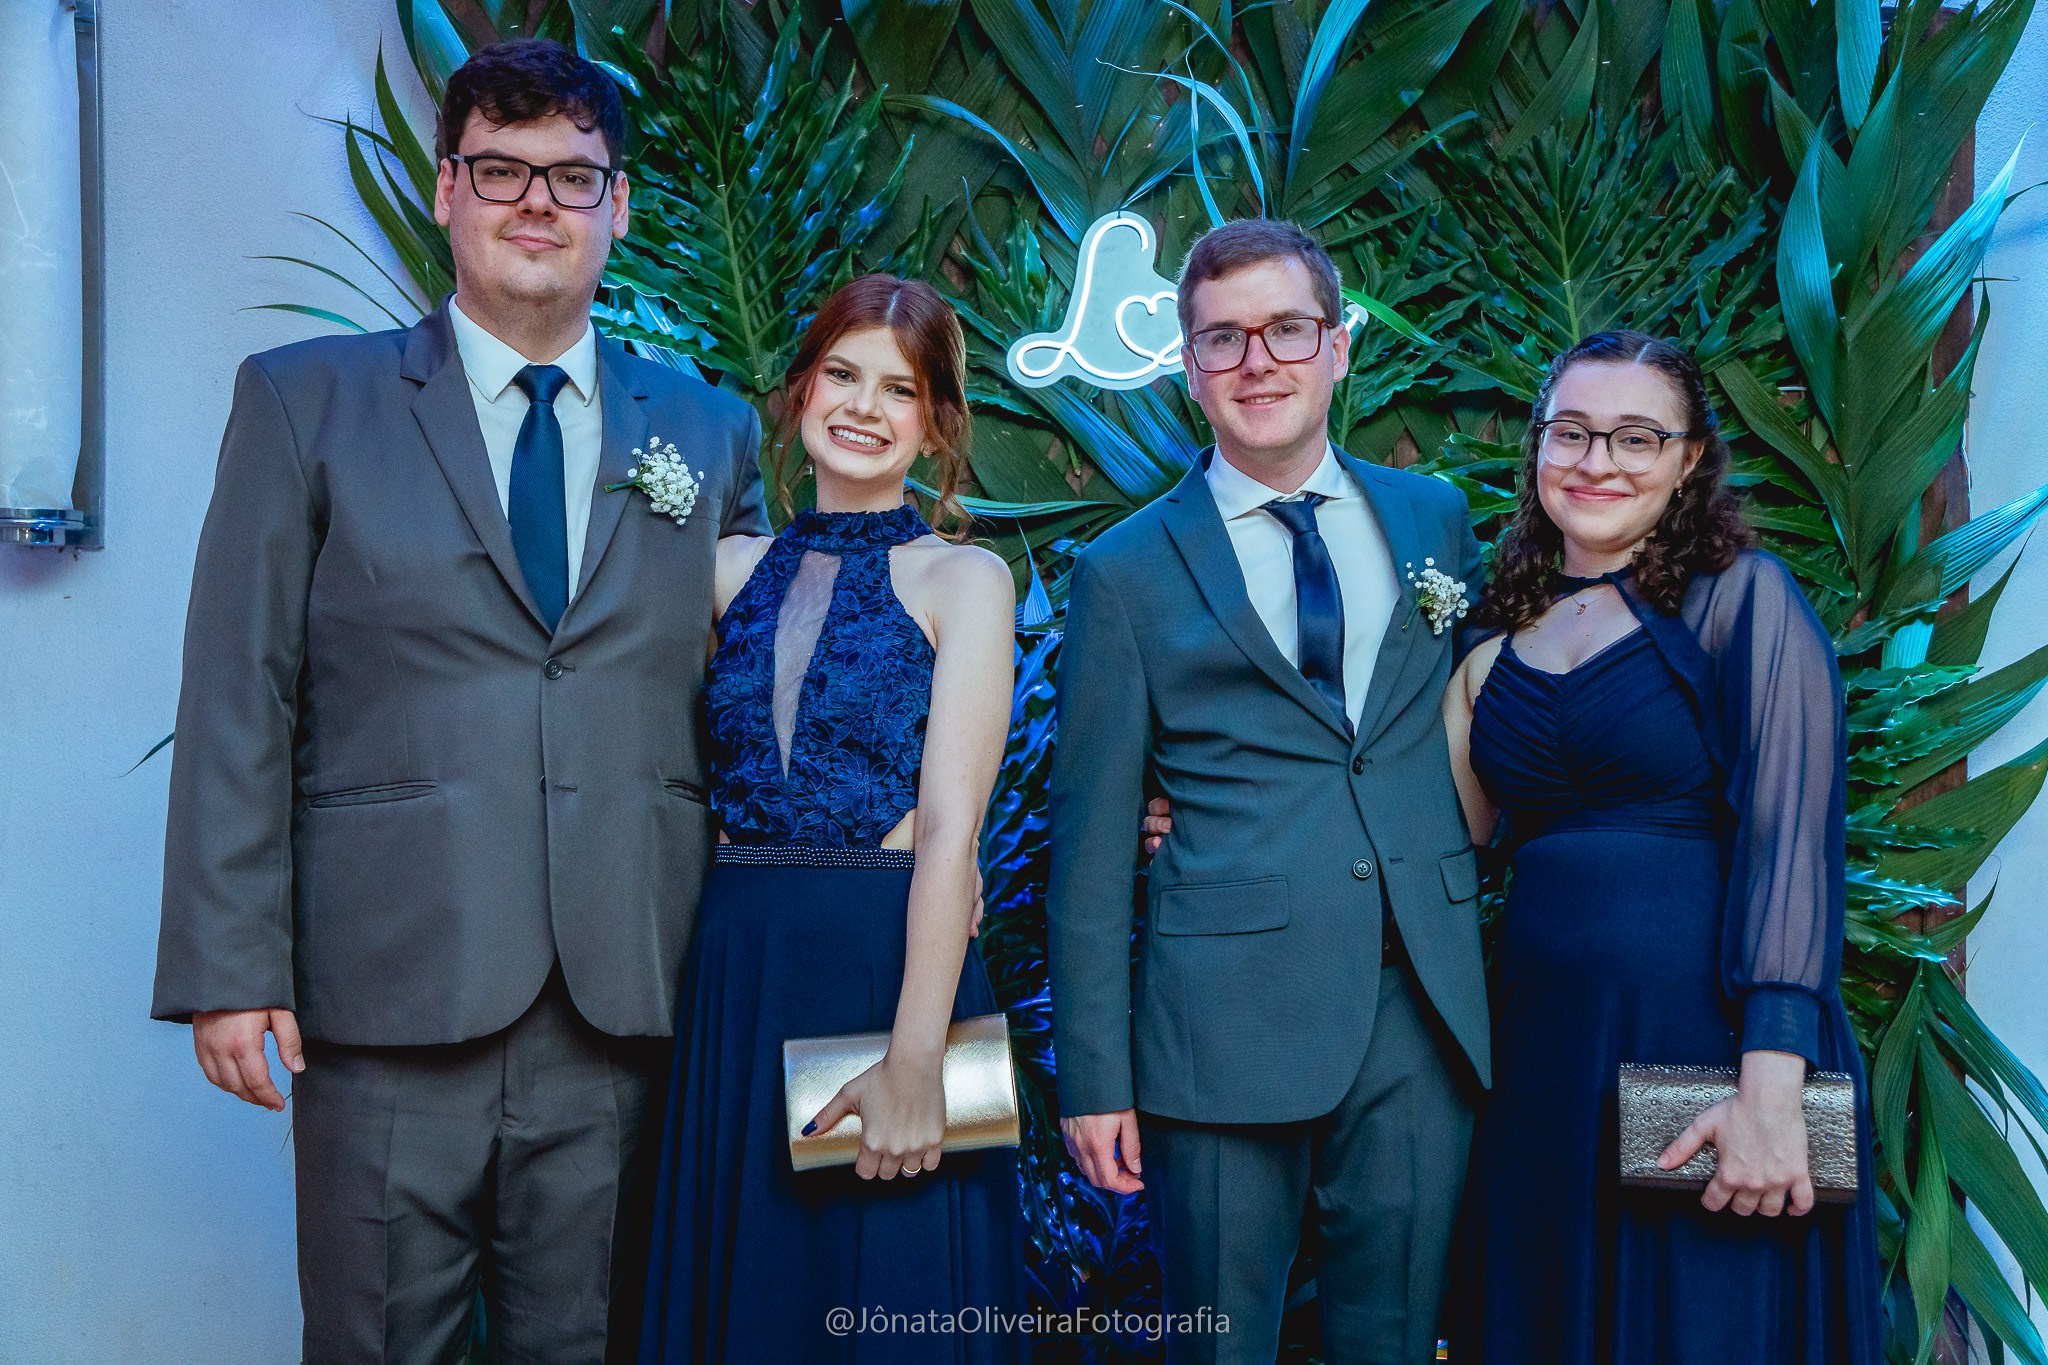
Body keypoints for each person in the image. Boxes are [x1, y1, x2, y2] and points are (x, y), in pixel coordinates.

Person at [152, 39, 770, 1363]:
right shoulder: (306, 402)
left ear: (620, 206)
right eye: (500, 169)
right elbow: (240, 689)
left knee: (589, 1342)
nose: (535, 202)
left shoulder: (709, 433)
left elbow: (765, 699)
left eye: (571, 176)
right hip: (387, 989)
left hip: (628, 987)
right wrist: (228, 969)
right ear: (444, 192)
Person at [1048, 218, 1490, 1363]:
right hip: (1218, 1018)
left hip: (1419, 1008)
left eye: (1285, 330)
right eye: (1222, 339)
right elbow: (1089, 849)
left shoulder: (1432, 518)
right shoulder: (1125, 571)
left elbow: (1473, 725)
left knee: (1393, 1336)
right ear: (1186, 371)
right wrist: (1094, 1079)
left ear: (1337, 348)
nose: (1258, 362)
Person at [1441, 330, 1882, 1362]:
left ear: (1688, 459)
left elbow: (1792, 846)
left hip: (1709, 1052)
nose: (1596, 462)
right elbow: (1434, 842)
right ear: (1536, 450)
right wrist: (1191, 805)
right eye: (1571, 433)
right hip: (1542, 1061)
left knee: (1696, 1330)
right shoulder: (1488, 640)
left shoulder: (1740, 600)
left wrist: (1767, 1092)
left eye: (1635, 437)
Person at [637, 273, 1026, 1364]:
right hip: (736, 966)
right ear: (801, 390)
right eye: (842, 375)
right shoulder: (717, 573)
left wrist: (913, 1063)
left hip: (884, 961)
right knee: (751, 1304)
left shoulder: (963, 579)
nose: (862, 406)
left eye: (896, 390)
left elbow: (952, 831)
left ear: (935, 425)